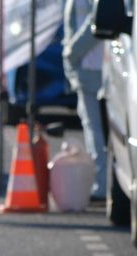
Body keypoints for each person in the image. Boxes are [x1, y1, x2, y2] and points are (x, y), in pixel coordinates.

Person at [63, 0, 107, 201]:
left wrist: (72, 52)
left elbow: (99, 20)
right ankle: (102, 183)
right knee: (97, 129)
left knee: (96, 130)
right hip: (92, 68)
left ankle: (102, 185)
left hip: (96, 67)